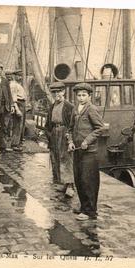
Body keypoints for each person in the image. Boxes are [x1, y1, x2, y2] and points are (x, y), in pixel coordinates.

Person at [67, 83, 105, 221]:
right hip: (77, 150)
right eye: (79, 95)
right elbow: (70, 128)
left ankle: (90, 211)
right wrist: (70, 142)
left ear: (89, 96)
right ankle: (84, 207)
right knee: (79, 180)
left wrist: (87, 141)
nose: (81, 98)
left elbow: (100, 128)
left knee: (88, 181)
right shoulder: (75, 109)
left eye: (84, 95)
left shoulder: (91, 109)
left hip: (89, 152)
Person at [45, 81, 74, 194]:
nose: (57, 94)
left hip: (64, 132)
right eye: (54, 92)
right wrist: (49, 134)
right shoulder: (52, 106)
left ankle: (70, 185)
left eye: (59, 91)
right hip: (54, 133)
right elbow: (48, 123)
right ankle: (62, 183)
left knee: (66, 158)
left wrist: (69, 138)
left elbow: (72, 124)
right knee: (55, 158)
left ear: (64, 92)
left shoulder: (69, 106)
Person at [8, 71, 27, 152]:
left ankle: (18, 143)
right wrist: (17, 109)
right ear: (14, 76)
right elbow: (13, 99)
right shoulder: (13, 85)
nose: (20, 77)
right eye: (18, 76)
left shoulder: (17, 85)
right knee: (17, 125)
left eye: (20, 76)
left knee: (20, 125)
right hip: (18, 104)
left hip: (22, 103)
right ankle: (15, 144)